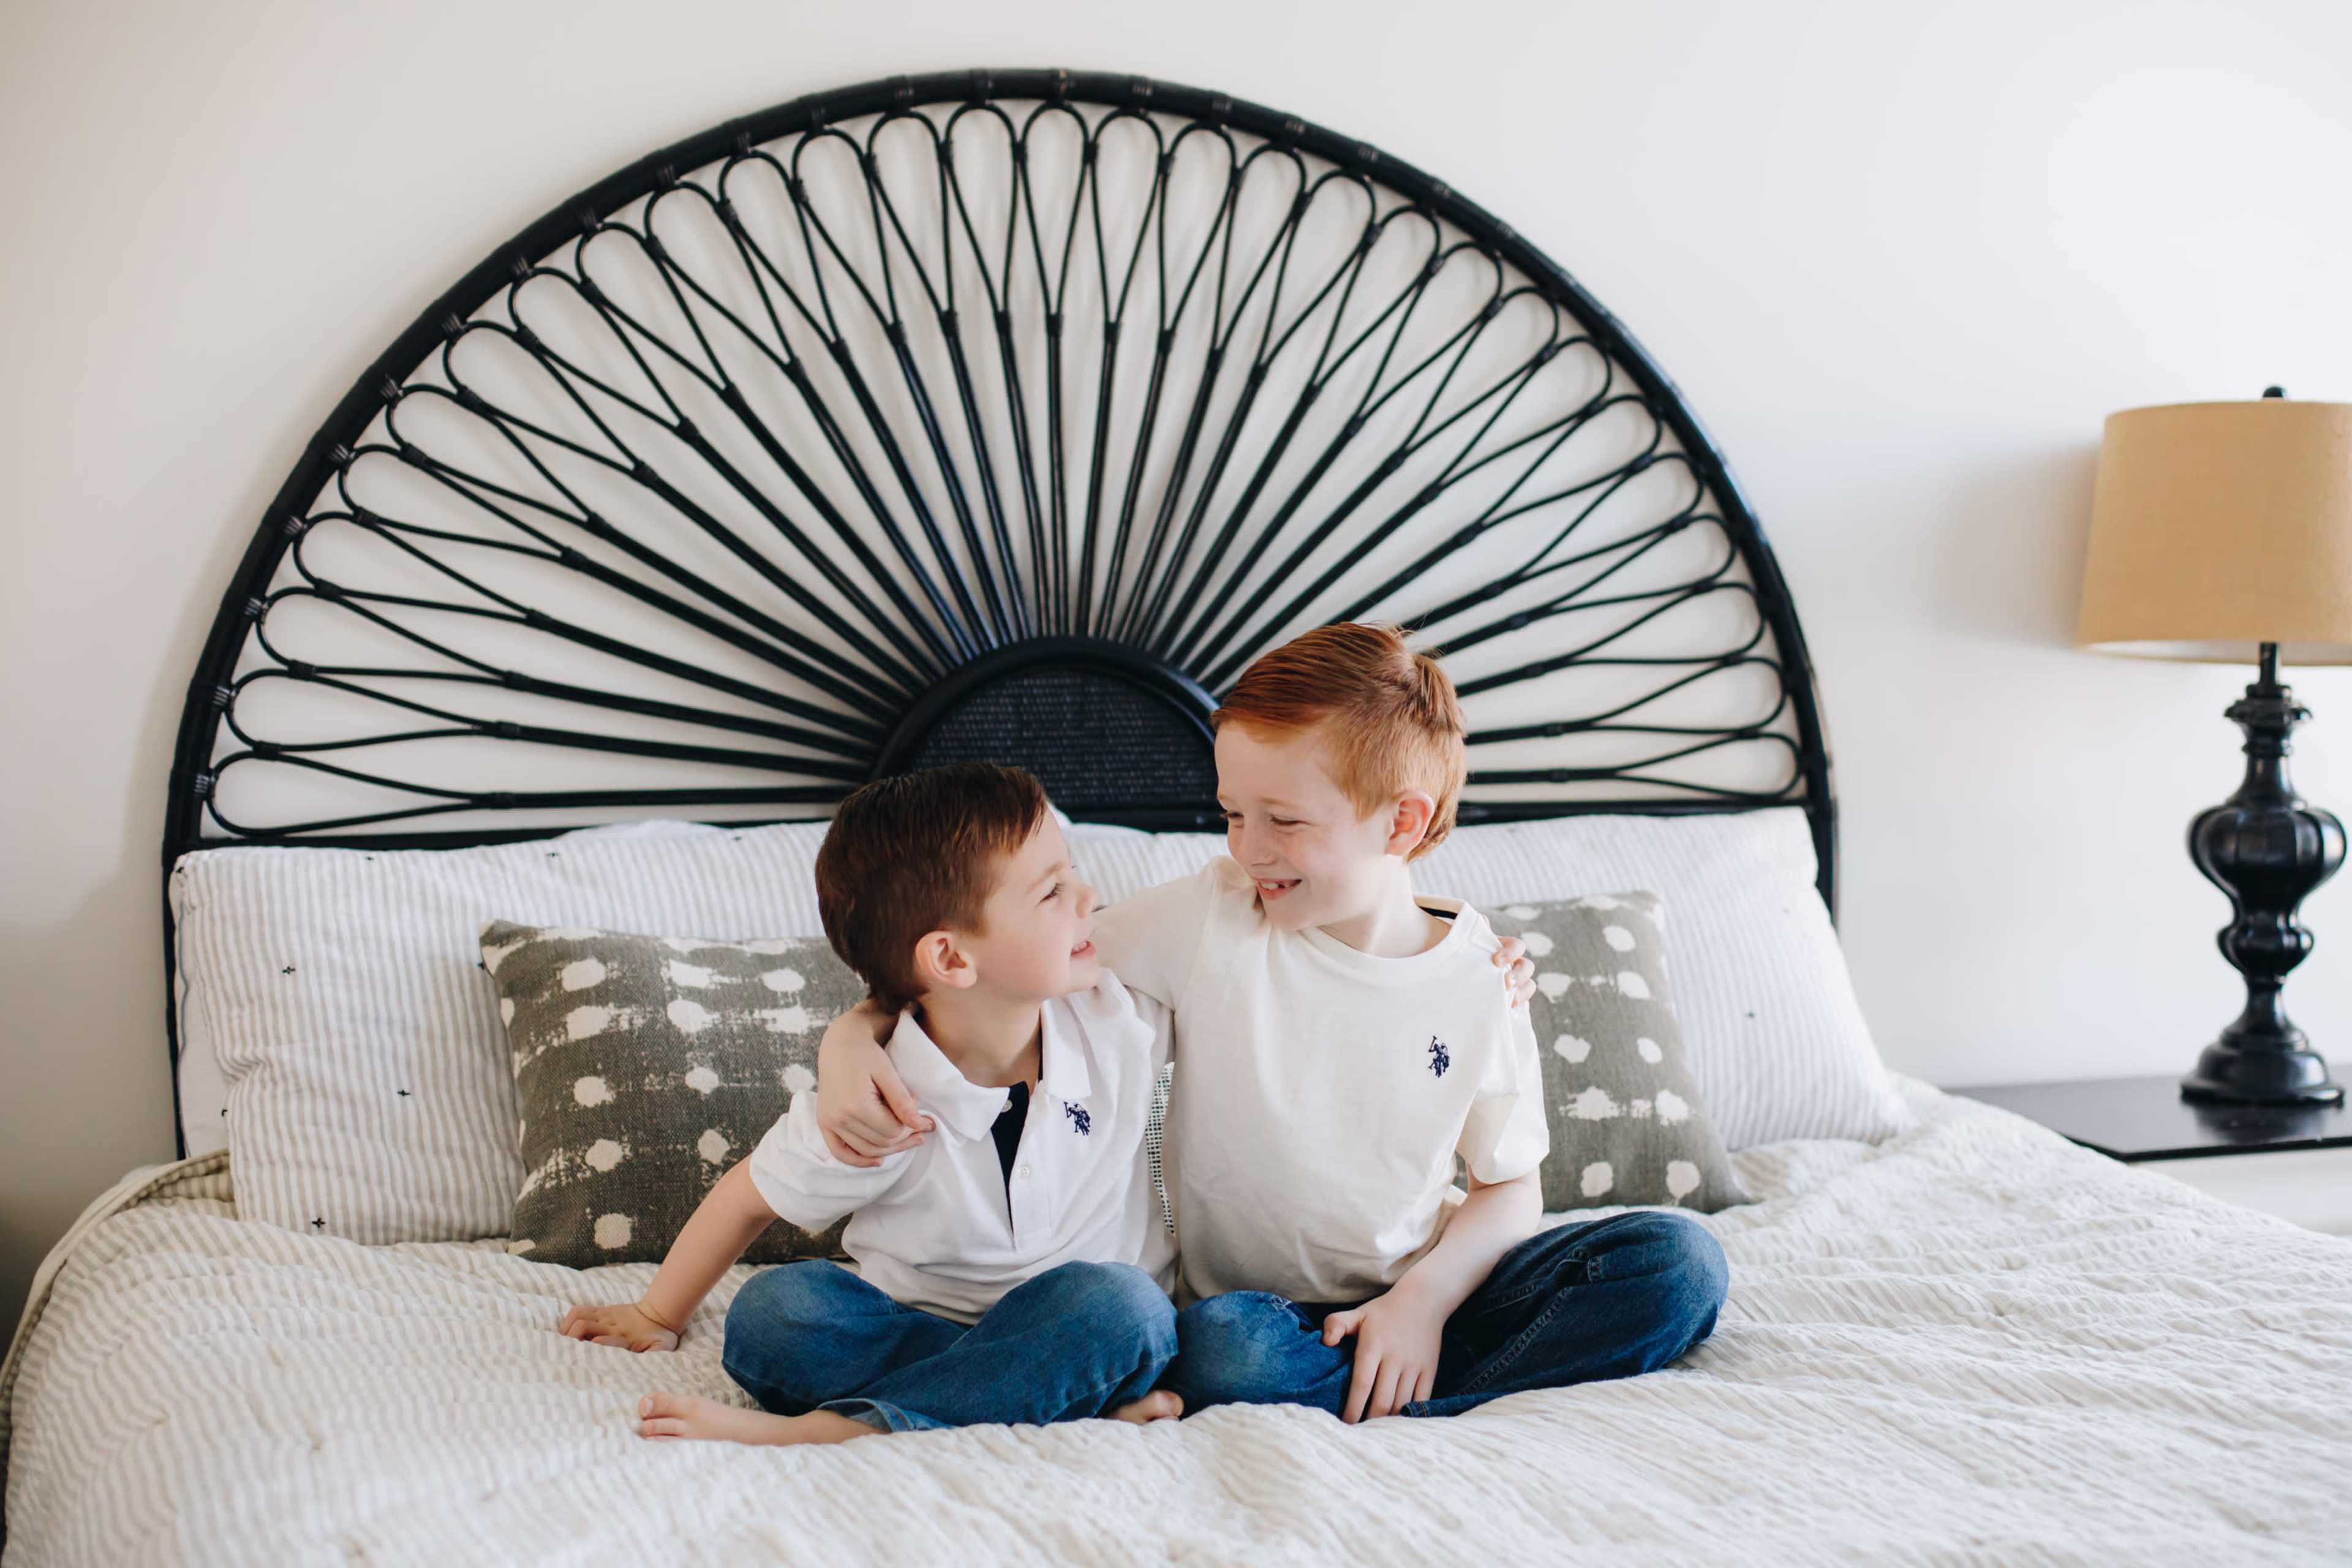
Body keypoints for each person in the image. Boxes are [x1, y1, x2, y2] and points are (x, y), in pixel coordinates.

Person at [818, 624, 1728, 1425]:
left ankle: (1400, 1372)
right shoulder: (1211, 918)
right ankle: (1392, 1388)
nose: (1247, 848)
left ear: (1401, 824)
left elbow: (1509, 1187)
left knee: (1679, 1266)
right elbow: (1009, 967)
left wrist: (1420, 1303)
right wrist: (854, 1034)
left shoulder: (1481, 978)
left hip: (1431, 1289)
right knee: (1227, 1353)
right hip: (1256, 1316)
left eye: (1283, 821)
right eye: (1232, 814)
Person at [558, 762, 1184, 1445]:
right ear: (948, 960)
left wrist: (851, 1027)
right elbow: (747, 1195)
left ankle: (841, 1429)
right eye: (1052, 891)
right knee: (775, 1313)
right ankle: (1049, 1399)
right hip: (921, 1330)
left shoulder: (1117, 1013)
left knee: (1127, 1307)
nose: (1090, 897)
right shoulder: (876, 1095)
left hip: (1087, 1321)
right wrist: (657, 1312)